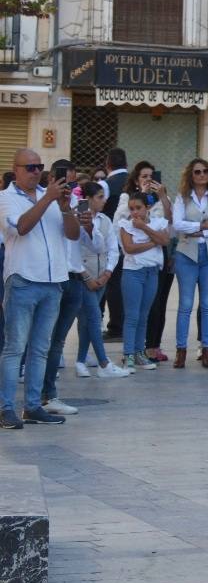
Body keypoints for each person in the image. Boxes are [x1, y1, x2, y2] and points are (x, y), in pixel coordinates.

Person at [0, 149, 80, 428]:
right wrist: (47, 199)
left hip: (53, 281)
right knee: (15, 348)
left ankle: (32, 406)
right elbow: (21, 227)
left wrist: (66, 208)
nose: (36, 172)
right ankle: (5, 407)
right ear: (16, 170)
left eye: (39, 167)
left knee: (40, 349)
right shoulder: (5, 198)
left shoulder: (54, 199)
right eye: (30, 167)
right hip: (23, 280)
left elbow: (72, 234)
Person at [114, 162, 175, 363]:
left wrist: (162, 198)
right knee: (132, 314)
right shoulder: (126, 211)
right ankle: (129, 354)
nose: (135, 212)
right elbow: (129, 245)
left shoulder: (157, 211)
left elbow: (166, 235)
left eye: (151, 175)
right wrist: (153, 241)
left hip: (152, 268)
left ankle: (143, 351)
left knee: (148, 311)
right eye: (144, 176)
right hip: (134, 268)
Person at [172, 159, 208, 369]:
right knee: (185, 304)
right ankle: (180, 351)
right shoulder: (182, 198)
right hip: (187, 253)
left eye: (206, 171)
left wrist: (196, 229)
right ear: (191, 175)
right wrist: (205, 225)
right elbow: (178, 224)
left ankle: (207, 349)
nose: (202, 175)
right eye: (197, 172)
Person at [41, 159, 85, 416]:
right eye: (61, 180)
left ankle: (49, 394)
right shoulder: (44, 205)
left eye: (70, 181)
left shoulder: (76, 205)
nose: (66, 185)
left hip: (75, 277)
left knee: (57, 341)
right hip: (55, 277)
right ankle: (38, 394)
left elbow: (85, 242)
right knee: (40, 340)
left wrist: (89, 226)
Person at [74, 182, 129, 379]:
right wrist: (86, 276)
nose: (104, 200)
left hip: (101, 278)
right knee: (94, 318)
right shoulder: (76, 218)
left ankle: (80, 361)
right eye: (99, 196)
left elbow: (112, 248)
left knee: (88, 321)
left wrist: (107, 273)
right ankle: (103, 363)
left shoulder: (105, 220)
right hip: (84, 278)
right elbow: (74, 250)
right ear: (88, 199)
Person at [101, 147, 129, 339]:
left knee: (113, 282)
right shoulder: (133, 181)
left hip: (110, 239)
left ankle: (116, 326)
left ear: (107, 164)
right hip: (135, 238)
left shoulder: (105, 185)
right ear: (126, 164)